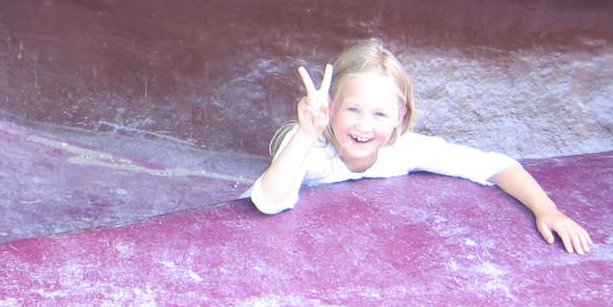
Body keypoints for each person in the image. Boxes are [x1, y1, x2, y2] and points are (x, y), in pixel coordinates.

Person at [248, 39, 593, 254]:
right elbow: (267, 201)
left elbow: (496, 166)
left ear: (400, 117)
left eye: (379, 114)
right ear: (331, 107)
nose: (364, 126)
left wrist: (547, 210)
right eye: (352, 110)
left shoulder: (403, 149)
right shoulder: (308, 146)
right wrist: (306, 134)